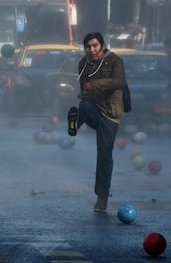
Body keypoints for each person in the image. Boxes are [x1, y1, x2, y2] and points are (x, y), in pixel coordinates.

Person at [67, 32, 126, 212]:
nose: (91, 50)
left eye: (94, 46)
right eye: (88, 46)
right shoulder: (83, 63)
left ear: (102, 45)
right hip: (93, 109)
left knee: (104, 154)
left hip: (110, 113)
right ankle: (74, 126)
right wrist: (85, 92)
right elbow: (84, 88)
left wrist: (97, 85)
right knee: (83, 105)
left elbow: (119, 82)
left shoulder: (115, 60)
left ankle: (102, 197)